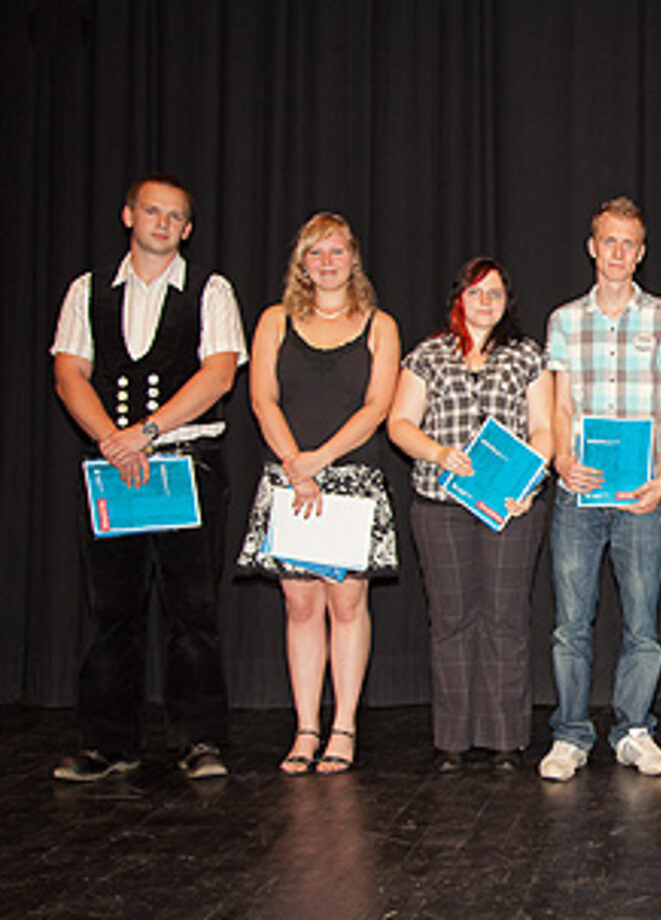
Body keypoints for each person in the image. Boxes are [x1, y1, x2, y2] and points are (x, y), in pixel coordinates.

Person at [51, 173, 246, 782]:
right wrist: (112, 439)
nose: (162, 223)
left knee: (193, 609)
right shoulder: (88, 292)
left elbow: (217, 375)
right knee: (113, 609)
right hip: (114, 470)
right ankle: (108, 743)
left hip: (186, 464)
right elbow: (69, 372)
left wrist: (147, 433)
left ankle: (200, 739)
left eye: (175, 216)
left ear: (187, 229)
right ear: (128, 215)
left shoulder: (211, 292)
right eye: (152, 212)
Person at [237, 213, 400, 775]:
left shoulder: (379, 324)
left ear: (354, 258)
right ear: (301, 263)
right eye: (316, 253)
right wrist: (295, 466)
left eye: (337, 252)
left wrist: (320, 461)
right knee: (300, 605)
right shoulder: (274, 321)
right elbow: (263, 399)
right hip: (290, 479)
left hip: (351, 481)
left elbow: (378, 407)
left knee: (347, 605)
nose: (327, 262)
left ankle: (344, 727)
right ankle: (306, 727)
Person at [539, 196, 661, 781]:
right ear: (592, 247)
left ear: (641, 252)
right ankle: (571, 735)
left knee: (642, 623)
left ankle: (634, 730)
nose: (618, 252)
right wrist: (561, 460)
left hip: (643, 495)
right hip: (580, 492)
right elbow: (560, 402)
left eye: (630, 243)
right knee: (571, 622)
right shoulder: (565, 320)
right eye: (609, 241)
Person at [388, 257, 552, 774]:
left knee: (505, 620)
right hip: (441, 504)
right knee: (452, 621)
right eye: (476, 292)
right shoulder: (427, 355)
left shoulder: (527, 355)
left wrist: (529, 480)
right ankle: (452, 740)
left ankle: (506, 739)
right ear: (458, 297)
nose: (486, 302)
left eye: (496, 294)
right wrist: (438, 453)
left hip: (509, 506)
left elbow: (544, 429)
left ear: (508, 303)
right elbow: (399, 424)